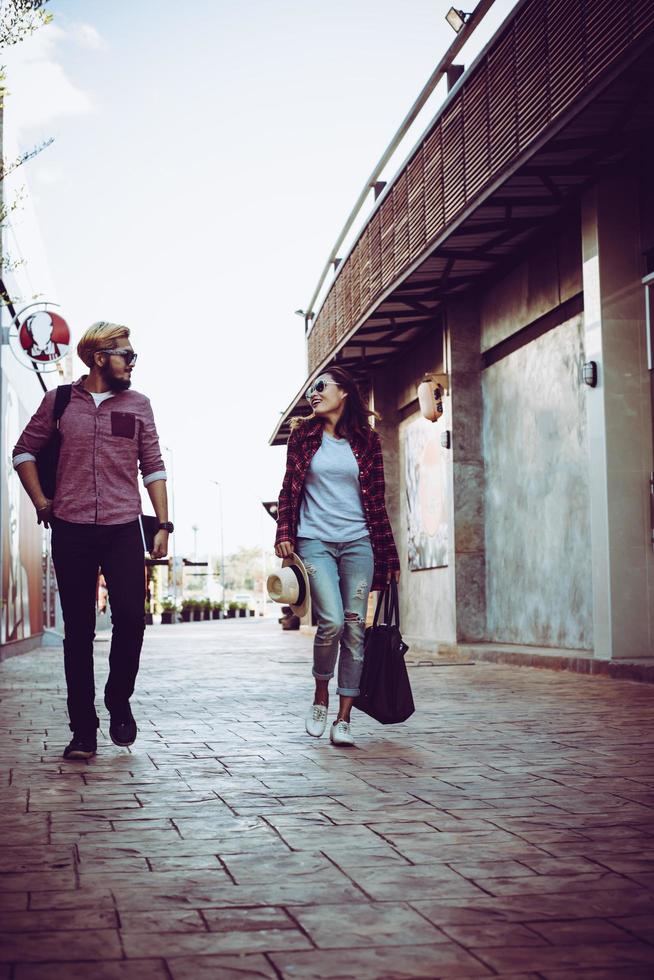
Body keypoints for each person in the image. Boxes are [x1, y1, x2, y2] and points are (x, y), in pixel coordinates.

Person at [13, 321, 173, 760]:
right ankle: (83, 730)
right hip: (72, 528)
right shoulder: (60, 401)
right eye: (126, 354)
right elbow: (23, 451)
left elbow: (153, 465)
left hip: (123, 526)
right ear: (100, 358)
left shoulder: (139, 405)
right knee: (78, 633)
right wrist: (43, 502)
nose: (132, 361)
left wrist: (162, 524)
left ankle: (118, 700)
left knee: (131, 620)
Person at [275, 366, 399, 747]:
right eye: (311, 389)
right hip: (314, 542)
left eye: (321, 387)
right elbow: (287, 490)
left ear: (344, 392)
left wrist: (389, 557)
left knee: (355, 626)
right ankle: (320, 696)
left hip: (359, 542)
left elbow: (377, 503)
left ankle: (344, 719)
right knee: (330, 621)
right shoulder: (303, 436)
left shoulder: (368, 441)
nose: (313, 394)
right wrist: (283, 533)